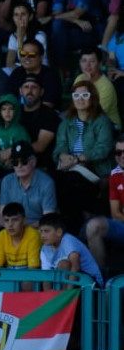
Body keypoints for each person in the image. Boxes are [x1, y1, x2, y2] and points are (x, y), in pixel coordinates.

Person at [53, 80, 114, 234]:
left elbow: (103, 149)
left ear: (92, 97)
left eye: (85, 95)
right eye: (76, 95)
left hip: (94, 171)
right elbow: (60, 146)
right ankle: (76, 228)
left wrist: (80, 158)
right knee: (59, 179)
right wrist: (63, 155)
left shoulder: (102, 121)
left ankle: (72, 230)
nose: (80, 99)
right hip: (70, 169)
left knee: (70, 181)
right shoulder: (66, 123)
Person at [85, 135, 124, 269]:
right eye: (118, 152)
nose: (122, 156)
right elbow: (115, 214)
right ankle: (100, 277)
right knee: (93, 226)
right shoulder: (115, 174)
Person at [38, 212, 104, 289]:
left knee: (64, 264)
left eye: (46, 231)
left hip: (91, 283)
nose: (42, 235)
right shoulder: (44, 249)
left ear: (59, 232)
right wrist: (47, 295)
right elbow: (46, 275)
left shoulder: (68, 240)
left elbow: (76, 267)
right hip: (72, 283)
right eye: (41, 231)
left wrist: (68, 293)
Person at [0, 202, 41, 283]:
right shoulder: (1, 235)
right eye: (6, 220)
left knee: (27, 283)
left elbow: (33, 269)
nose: (10, 224)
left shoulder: (33, 235)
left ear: (24, 220)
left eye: (15, 220)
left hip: (28, 278)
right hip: (10, 278)